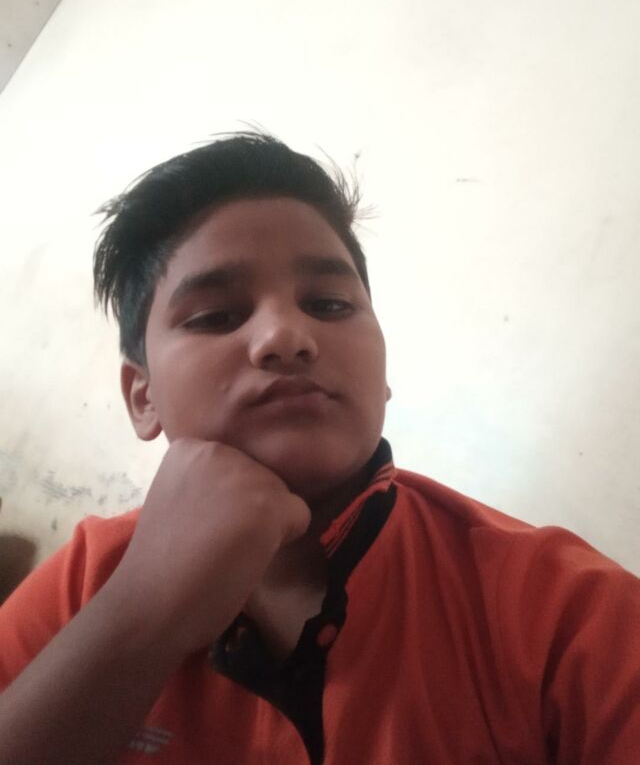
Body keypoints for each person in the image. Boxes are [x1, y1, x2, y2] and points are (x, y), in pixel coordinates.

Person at [0, 133, 638, 765]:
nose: (285, 335)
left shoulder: (566, 612)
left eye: (329, 304)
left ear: (382, 375)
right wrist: (140, 616)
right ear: (142, 397)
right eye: (217, 316)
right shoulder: (82, 589)